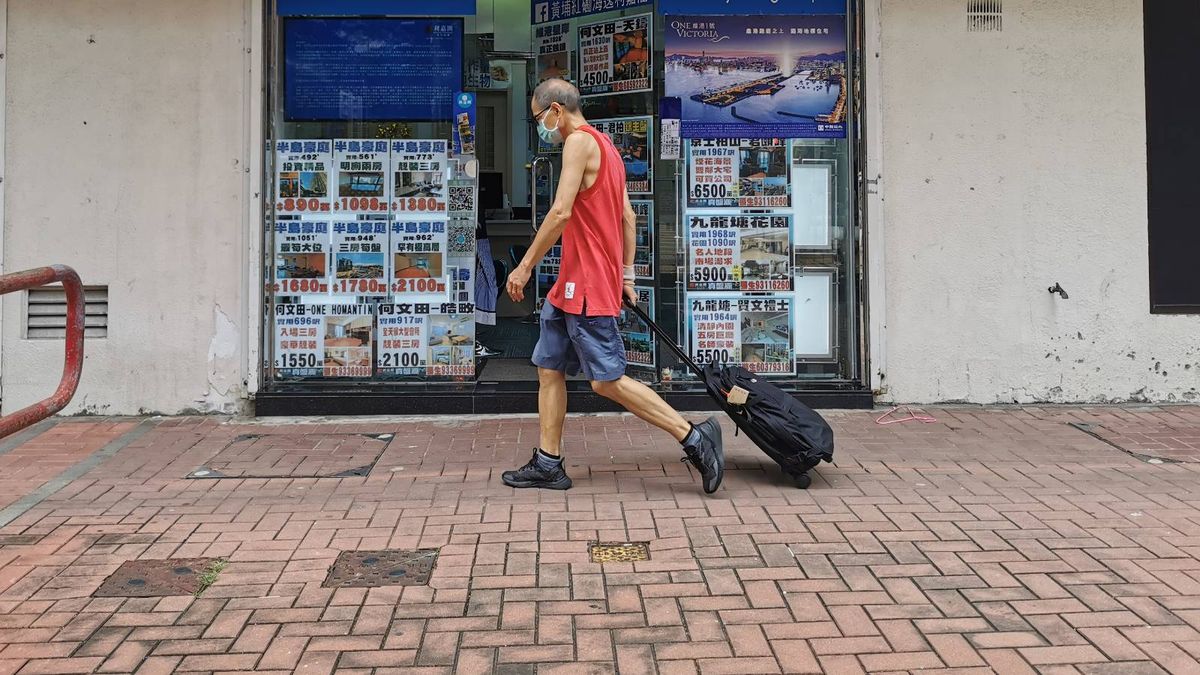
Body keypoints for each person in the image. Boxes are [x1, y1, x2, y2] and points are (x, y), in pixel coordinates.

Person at [502, 78, 725, 495]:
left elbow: (561, 211)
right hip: (570, 288)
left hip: (585, 287)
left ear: (555, 110)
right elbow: (628, 218)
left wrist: (525, 266)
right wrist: (625, 274)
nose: (540, 127)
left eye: (537, 118)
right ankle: (549, 463)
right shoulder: (609, 148)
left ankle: (694, 437)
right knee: (548, 369)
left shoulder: (578, 143)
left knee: (606, 381)